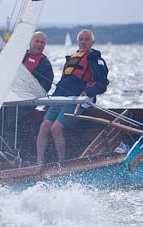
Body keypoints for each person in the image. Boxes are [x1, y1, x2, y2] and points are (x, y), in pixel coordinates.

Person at [35, 29, 109, 165]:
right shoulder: (72, 58)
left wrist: (88, 91)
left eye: (87, 40)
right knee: (44, 126)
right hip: (62, 97)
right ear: (77, 42)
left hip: (79, 100)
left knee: (55, 128)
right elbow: (64, 81)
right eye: (81, 39)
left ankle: (61, 163)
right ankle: (39, 163)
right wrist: (50, 99)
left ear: (92, 42)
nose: (84, 42)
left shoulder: (97, 61)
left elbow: (102, 84)